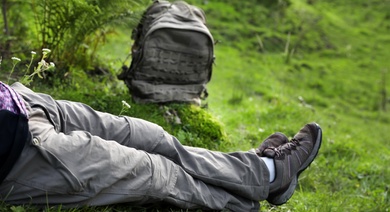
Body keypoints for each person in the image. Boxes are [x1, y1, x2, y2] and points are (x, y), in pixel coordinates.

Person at [0, 81, 322, 211]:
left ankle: (259, 174)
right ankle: (259, 181)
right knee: (154, 172)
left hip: (20, 102)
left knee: (153, 137)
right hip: (17, 152)